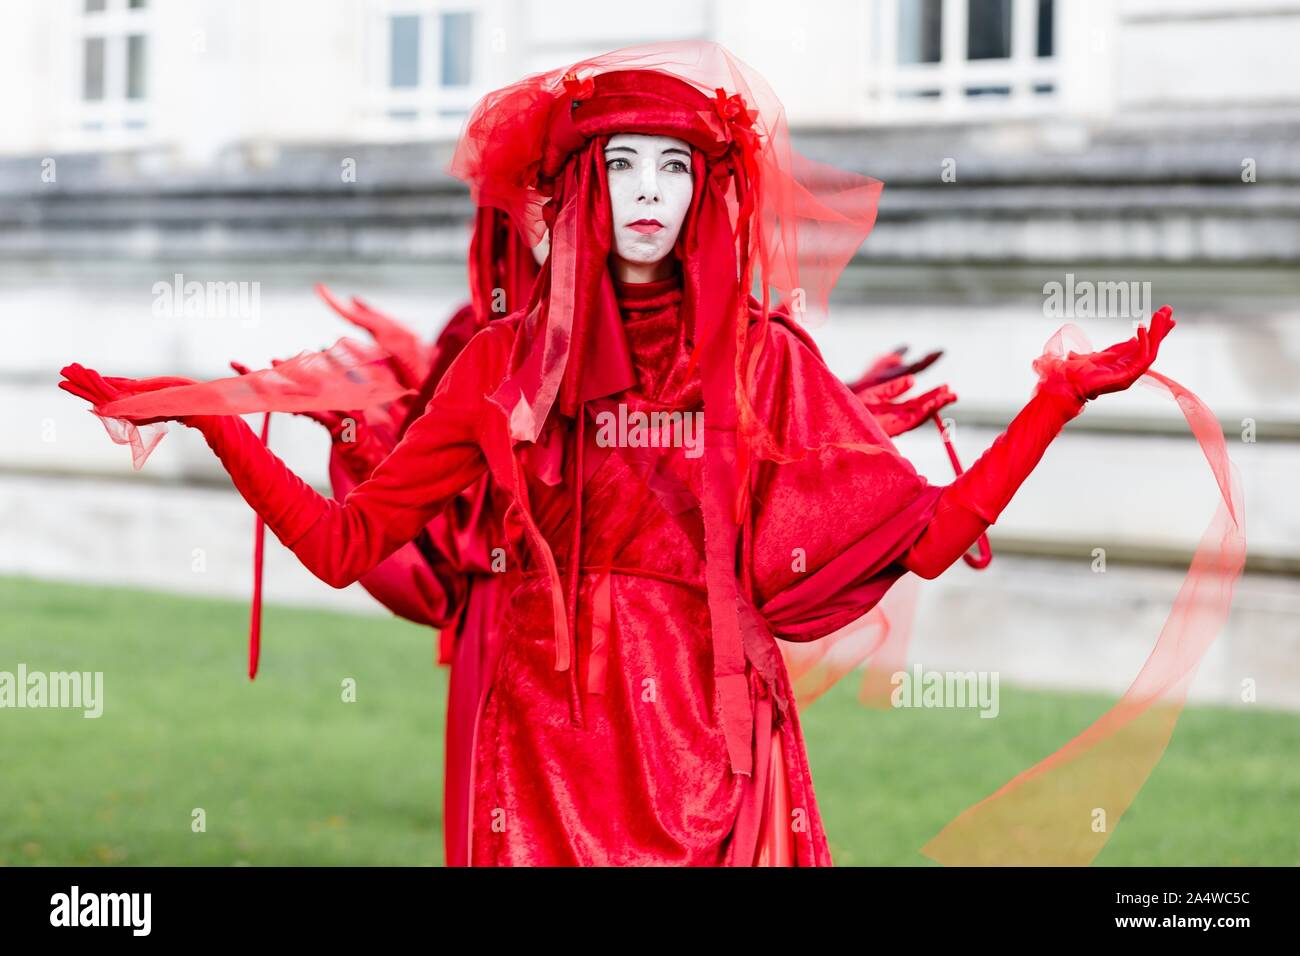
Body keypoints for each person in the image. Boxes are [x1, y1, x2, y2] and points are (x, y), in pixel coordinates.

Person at [60, 42, 1177, 865]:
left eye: (675, 168)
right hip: (539, 768)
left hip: (716, 763)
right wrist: (211, 418)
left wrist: (1055, 401)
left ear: (708, 189)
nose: (650, 192)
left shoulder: (763, 361)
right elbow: (351, 546)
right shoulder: (499, 361)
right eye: (625, 166)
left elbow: (928, 539)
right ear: (582, 186)